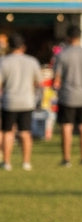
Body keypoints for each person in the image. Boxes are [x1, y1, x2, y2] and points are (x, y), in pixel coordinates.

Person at [53, 25, 82, 166]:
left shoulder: (62, 55)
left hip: (67, 96)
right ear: (80, 37)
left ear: (67, 37)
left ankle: (66, 159)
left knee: (66, 126)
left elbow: (57, 80)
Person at [1, 34, 44, 171]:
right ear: (23, 47)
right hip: (27, 102)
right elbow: (39, 83)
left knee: (8, 132)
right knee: (25, 132)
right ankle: (26, 162)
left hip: (9, 101)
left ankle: (6, 162)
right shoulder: (32, 61)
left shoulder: (4, 62)